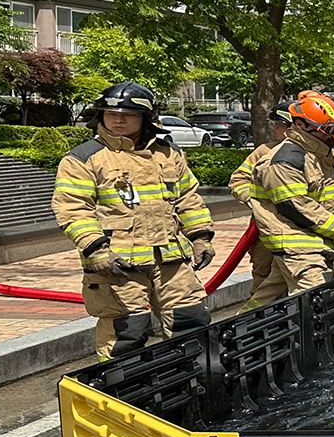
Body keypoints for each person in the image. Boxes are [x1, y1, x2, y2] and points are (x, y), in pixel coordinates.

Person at [52, 81, 215, 360]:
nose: (118, 119)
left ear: (146, 118)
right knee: (126, 333)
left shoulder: (168, 153)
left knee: (191, 321)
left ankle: (192, 382)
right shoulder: (84, 158)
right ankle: (121, 392)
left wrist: (200, 238)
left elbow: (188, 198)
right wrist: (96, 250)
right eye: (110, 113)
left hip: (171, 259)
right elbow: (72, 208)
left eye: (128, 114)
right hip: (117, 263)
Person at [247, 92, 334, 303]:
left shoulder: (326, 151)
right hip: (295, 242)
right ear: (301, 125)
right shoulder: (283, 161)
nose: (333, 136)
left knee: (268, 299)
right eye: (328, 131)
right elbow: (300, 209)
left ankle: (236, 333)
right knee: (317, 299)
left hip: (317, 240)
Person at [229, 100, 294, 310]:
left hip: (300, 232)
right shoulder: (263, 151)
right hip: (265, 232)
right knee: (263, 277)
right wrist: (255, 201)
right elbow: (238, 180)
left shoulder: (316, 154)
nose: (274, 128)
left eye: (279, 125)